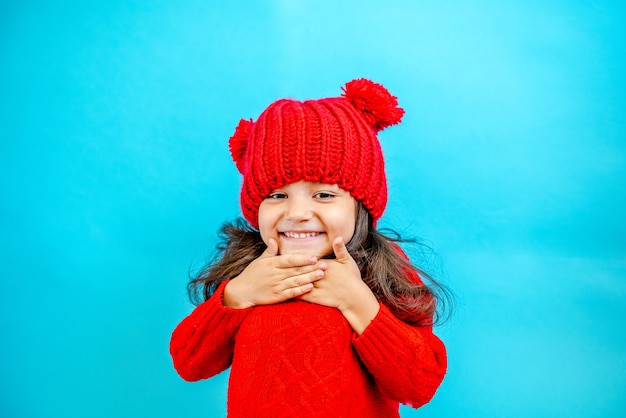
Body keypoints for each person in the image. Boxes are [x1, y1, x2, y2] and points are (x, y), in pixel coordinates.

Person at [170, 78, 451, 417]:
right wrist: (237, 295)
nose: (298, 214)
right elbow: (189, 362)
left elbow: (418, 385)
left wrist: (358, 303)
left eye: (324, 195)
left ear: (360, 205)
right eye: (277, 195)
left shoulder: (383, 270)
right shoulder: (250, 270)